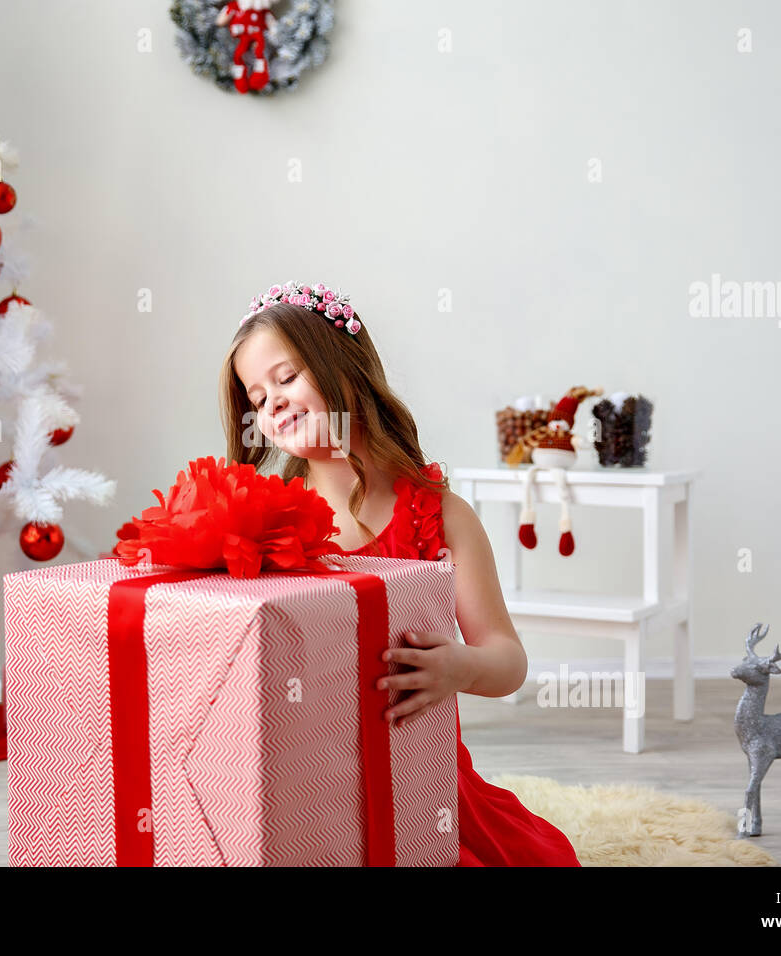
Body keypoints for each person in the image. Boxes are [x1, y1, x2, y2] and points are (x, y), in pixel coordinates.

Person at [221, 282, 581, 866]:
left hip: (419, 776)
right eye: (256, 398)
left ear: (346, 369)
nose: (272, 406)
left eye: (287, 379)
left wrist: (458, 665)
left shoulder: (441, 516)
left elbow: (508, 661)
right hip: (307, 779)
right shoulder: (268, 518)